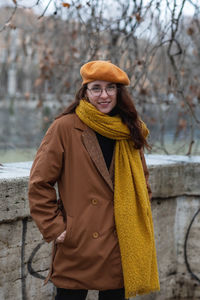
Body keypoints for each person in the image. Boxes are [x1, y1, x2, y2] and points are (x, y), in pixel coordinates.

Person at [28, 60, 160, 300]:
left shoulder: (129, 130)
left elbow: (142, 181)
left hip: (120, 239)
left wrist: (137, 218)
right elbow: (39, 182)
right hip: (78, 242)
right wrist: (55, 227)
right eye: (96, 88)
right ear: (85, 93)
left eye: (111, 88)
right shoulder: (65, 127)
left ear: (119, 93)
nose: (104, 95)